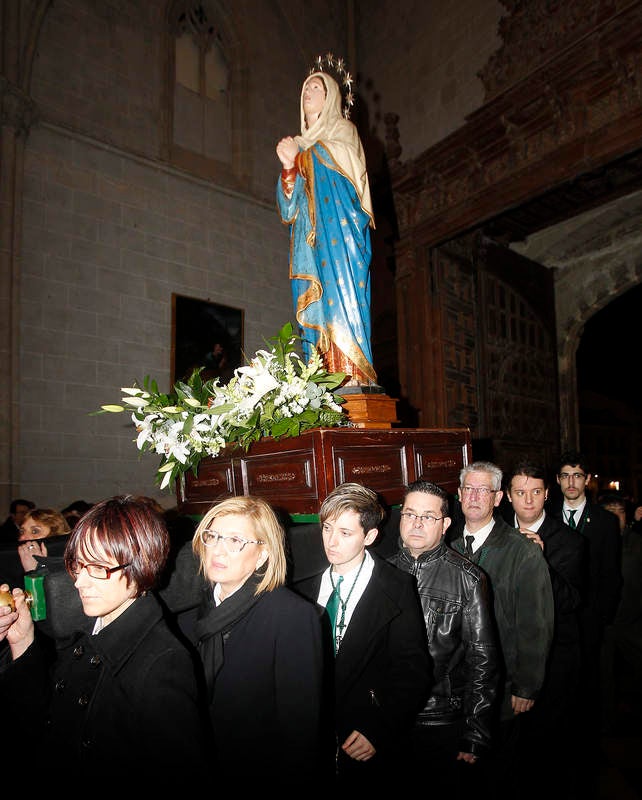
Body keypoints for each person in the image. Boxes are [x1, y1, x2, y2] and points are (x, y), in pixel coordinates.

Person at [0, 495, 207, 786]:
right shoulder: (84, 630)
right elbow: (47, 724)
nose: (80, 582)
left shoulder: (163, 663)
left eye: (98, 568)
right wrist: (22, 642)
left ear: (142, 566)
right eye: (77, 565)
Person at [293, 482, 431, 789]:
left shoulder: (396, 587)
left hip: (364, 732)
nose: (331, 542)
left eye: (345, 533)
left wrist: (379, 729)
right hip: (312, 734)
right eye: (327, 528)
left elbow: (413, 671)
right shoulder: (302, 586)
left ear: (369, 536)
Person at [190, 495, 332, 784]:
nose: (218, 550)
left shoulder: (292, 617)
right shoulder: (190, 615)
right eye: (213, 536)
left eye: (235, 541)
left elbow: (301, 731)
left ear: (263, 554)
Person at [447, 461, 554, 800]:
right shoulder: (446, 547)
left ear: (497, 499)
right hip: (458, 691)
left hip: (504, 689)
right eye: (469, 489)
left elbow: (536, 624)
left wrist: (527, 685)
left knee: (498, 780)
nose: (475, 496)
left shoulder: (520, 551)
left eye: (484, 490)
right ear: (460, 496)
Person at [388, 479, 500, 797]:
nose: (417, 523)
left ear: (445, 524)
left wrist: (476, 732)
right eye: (410, 514)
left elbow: (484, 661)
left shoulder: (468, 578)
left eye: (428, 516)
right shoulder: (383, 571)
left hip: (440, 720)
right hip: (389, 721)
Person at [276, 68, 377, 386]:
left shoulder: (343, 131)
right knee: (316, 313)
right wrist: (289, 169)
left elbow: (347, 175)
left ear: (331, 97)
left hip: (341, 244)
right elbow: (289, 210)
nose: (307, 93)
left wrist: (303, 158)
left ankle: (351, 377)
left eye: (315, 88)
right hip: (311, 248)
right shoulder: (302, 146)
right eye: (304, 89)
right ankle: (320, 381)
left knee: (342, 304)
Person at [502, 460, 587, 797]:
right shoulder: (496, 535)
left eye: (535, 492)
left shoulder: (568, 541)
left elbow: (570, 601)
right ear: (508, 496)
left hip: (554, 658)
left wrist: (541, 562)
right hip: (507, 657)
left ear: (546, 494)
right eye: (520, 492)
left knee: (547, 747)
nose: (528, 500)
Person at [547, 451, 622, 705]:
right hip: (554, 615)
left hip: (590, 618)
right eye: (566, 476)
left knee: (589, 682)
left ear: (587, 479)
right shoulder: (546, 517)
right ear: (557, 480)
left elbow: (611, 573)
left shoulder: (606, 522)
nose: (571, 483)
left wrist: (602, 617)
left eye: (577, 476)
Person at [598, 493, 642, 733]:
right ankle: (608, 725)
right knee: (604, 680)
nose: (615, 517)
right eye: (609, 511)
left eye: (620, 511)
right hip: (605, 624)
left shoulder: (637, 542)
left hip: (633, 622)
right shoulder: (594, 542)